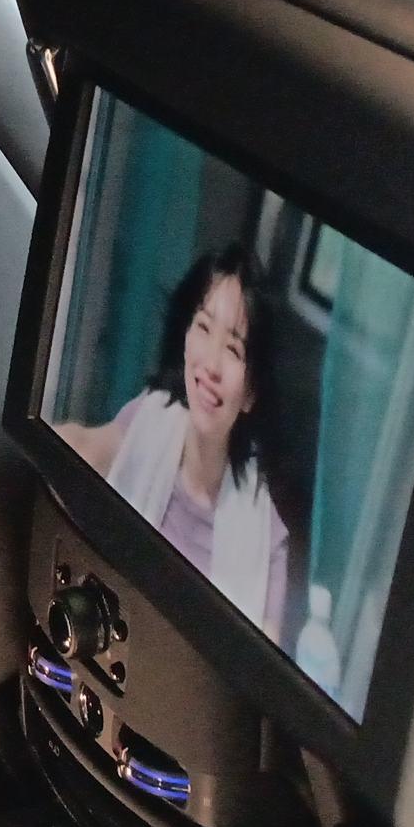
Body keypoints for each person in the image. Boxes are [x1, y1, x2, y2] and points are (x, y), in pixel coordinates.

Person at [57, 241, 293, 641]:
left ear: (251, 392)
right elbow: (81, 447)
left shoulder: (267, 544)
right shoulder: (148, 420)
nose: (211, 364)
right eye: (203, 327)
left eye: (234, 349)